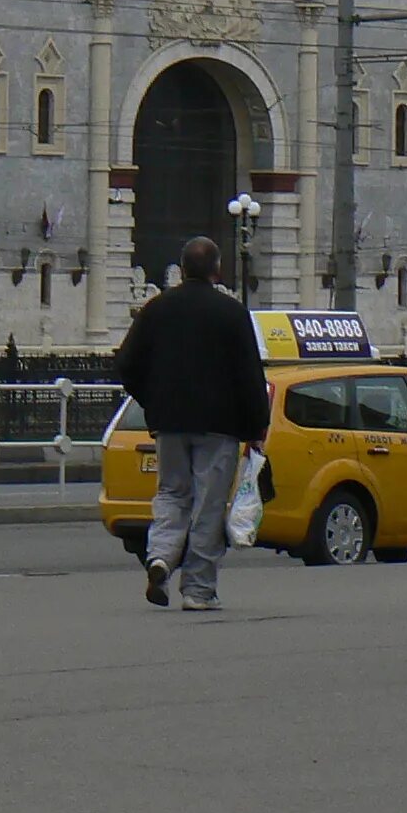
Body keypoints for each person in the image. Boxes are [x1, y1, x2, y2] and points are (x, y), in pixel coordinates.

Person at [113, 235, 269, 612]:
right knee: (208, 506)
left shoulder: (156, 309)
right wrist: (256, 428)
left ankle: (161, 558)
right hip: (220, 427)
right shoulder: (231, 313)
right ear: (217, 269)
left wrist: (155, 403)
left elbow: (126, 366)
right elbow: (249, 376)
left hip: (169, 425)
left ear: (181, 270)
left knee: (171, 494)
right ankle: (198, 589)